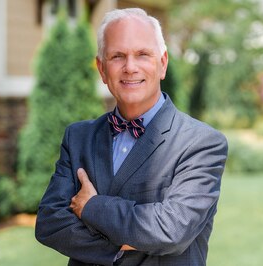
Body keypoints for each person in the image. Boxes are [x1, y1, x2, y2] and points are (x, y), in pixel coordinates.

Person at [35, 7, 228, 266]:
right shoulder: (78, 137)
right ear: (102, 70)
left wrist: (90, 207)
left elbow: (171, 230)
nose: (130, 67)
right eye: (117, 56)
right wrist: (122, 248)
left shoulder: (201, 143)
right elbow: (49, 222)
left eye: (142, 54)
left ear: (163, 63)